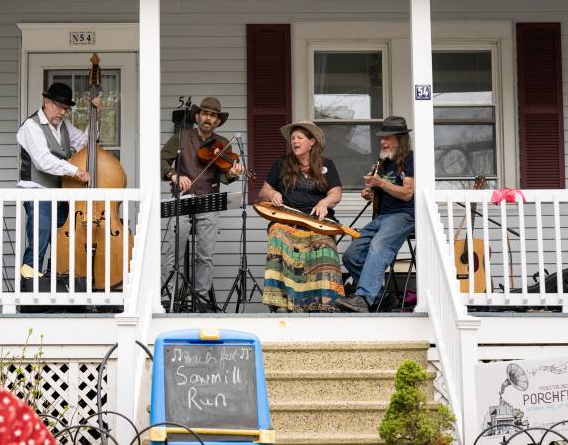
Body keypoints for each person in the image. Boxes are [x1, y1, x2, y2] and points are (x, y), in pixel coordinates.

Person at [160, 97, 244, 309]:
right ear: (197, 116)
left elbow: (224, 177)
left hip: (208, 201)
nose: (208, 118)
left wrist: (233, 174)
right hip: (182, 198)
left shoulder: (222, 143)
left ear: (217, 121)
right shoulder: (180, 138)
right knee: (173, 250)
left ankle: (202, 299)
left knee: (205, 255)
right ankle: (166, 296)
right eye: (205, 113)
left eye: (213, 115)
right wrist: (173, 174)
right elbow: (160, 160)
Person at [258, 121, 345, 312]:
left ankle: (326, 303)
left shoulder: (326, 164)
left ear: (312, 142)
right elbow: (263, 191)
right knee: (278, 234)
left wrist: (325, 202)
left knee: (325, 245)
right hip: (287, 220)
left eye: (300, 138)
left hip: (317, 223)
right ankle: (281, 302)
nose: (294, 141)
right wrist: (272, 194)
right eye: (292, 138)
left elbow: (336, 193)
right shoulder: (281, 163)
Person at [16, 82, 100, 279]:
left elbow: (84, 144)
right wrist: (76, 171)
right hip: (37, 192)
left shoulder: (63, 125)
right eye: (59, 106)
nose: (63, 112)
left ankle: (56, 281)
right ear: (46, 102)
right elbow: (43, 161)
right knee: (40, 237)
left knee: (64, 240)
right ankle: (30, 288)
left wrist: (95, 116)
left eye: (66, 108)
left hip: (59, 193)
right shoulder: (32, 125)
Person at [336, 116, 415, 313]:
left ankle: (363, 297)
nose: (382, 141)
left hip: (402, 215)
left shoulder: (410, 159)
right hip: (380, 217)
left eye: (387, 137)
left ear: (400, 139)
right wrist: (370, 193)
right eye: (382, 137)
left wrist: (381, 184)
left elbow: (407, 194)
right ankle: (381, 297)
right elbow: (382, 190)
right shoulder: (383, 162)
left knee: (377, 246)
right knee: (351, 255)